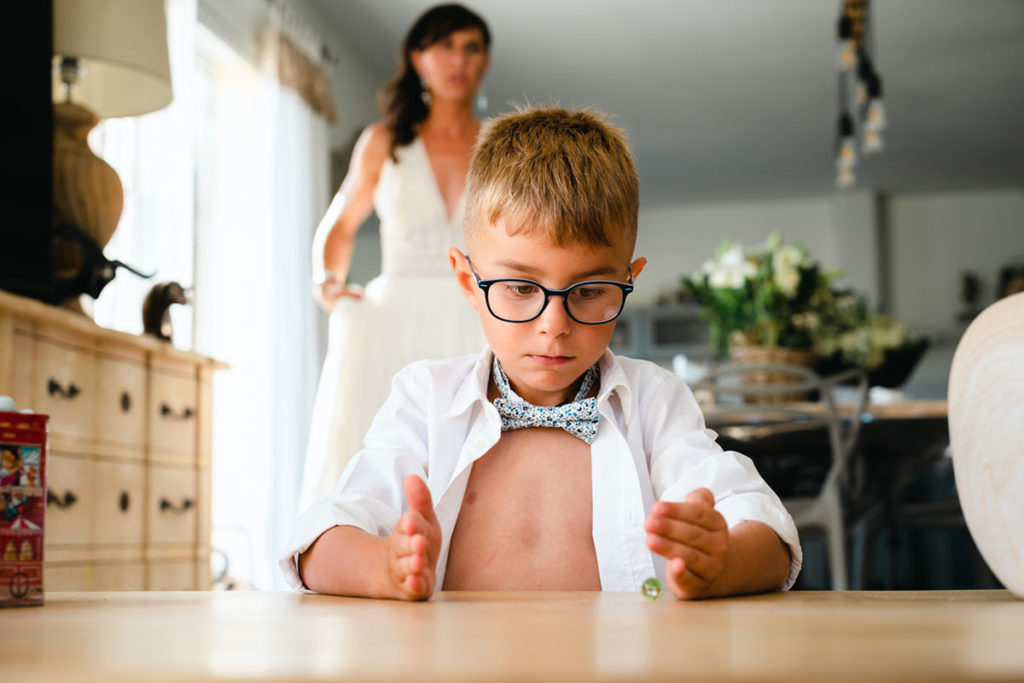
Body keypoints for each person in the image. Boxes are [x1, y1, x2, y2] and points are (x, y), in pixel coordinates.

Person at [281, 107, 801, 600]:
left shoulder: (655, 402)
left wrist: (724, 560)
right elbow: (318, 542)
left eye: (590, 290)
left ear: (628, 280)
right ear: (467, 280)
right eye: (521, 288)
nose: (555, 326)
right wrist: (383, 569)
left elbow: (770, 533)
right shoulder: (426, 400)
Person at [299, 4, 491, 510]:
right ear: (418, 58)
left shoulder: (500, 143)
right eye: (445, 46)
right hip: (393, 320)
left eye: (471, 47)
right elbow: (340, 224)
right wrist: (328, 282)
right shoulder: (383, 142)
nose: (459, 60)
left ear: (485, 62)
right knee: (380, 449)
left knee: (475, 455)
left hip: (477, 314)